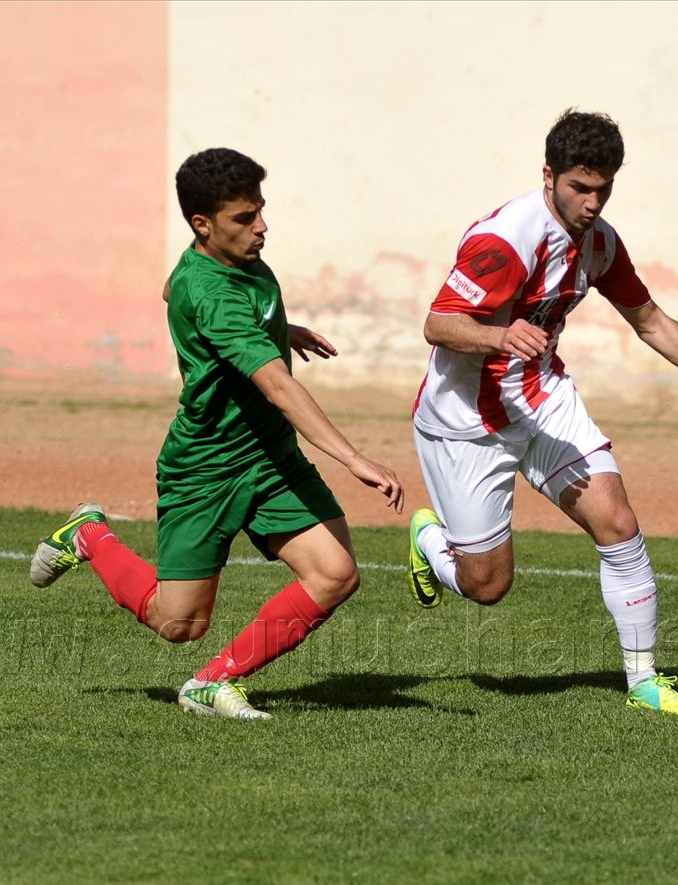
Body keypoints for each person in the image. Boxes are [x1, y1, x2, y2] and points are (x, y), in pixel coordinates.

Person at [406, 109, 678, 715]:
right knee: (487, 586)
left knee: (618, 524)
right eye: (580, 187)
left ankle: (643, 682)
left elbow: (648, 319)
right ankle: (429, 539)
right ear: (548, 175)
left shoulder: (599, 242)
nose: (593, 202)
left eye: (604, 188)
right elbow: (438, 323)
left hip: (543, 397)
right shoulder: (505, 241)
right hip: (468, 421)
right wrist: (499, 336)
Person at [29, 148, 404, 720]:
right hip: (206, 467)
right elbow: (277, 386)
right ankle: (89, 536)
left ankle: (214, 682)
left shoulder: (231, 265)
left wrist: (276, 330)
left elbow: (172, 290)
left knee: (335, 573)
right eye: (244, 218)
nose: (261, 227)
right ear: (202, 224)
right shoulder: (212, 292)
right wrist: (353, 459)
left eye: (261, 210)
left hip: (270, 457)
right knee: (178, 623)